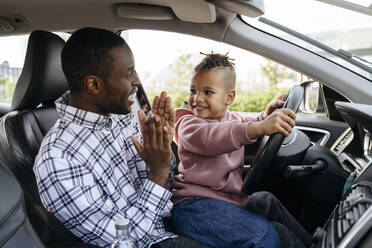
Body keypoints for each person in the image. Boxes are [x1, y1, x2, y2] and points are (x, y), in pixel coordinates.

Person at [33, 27, 209, 248]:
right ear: (94, 84)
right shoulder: (58, 160)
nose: (136, 81)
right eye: (128, 74)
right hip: (152, 242)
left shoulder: (121, 117)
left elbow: (161, 173)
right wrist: (157, 173)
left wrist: (164, 149)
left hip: (174, 217)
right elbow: (124, 242)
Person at [171, 53, 313, 248]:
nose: (197, 98)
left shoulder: (232, 118)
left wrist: (267, 115)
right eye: (193, 90)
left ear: (229, 97)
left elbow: (251, 123)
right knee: (263, 234)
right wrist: (260, 127)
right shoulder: (189, 124)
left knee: (267, 201)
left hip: (226, 201)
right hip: (194, 207)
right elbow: (213, 137)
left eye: (207, 92)